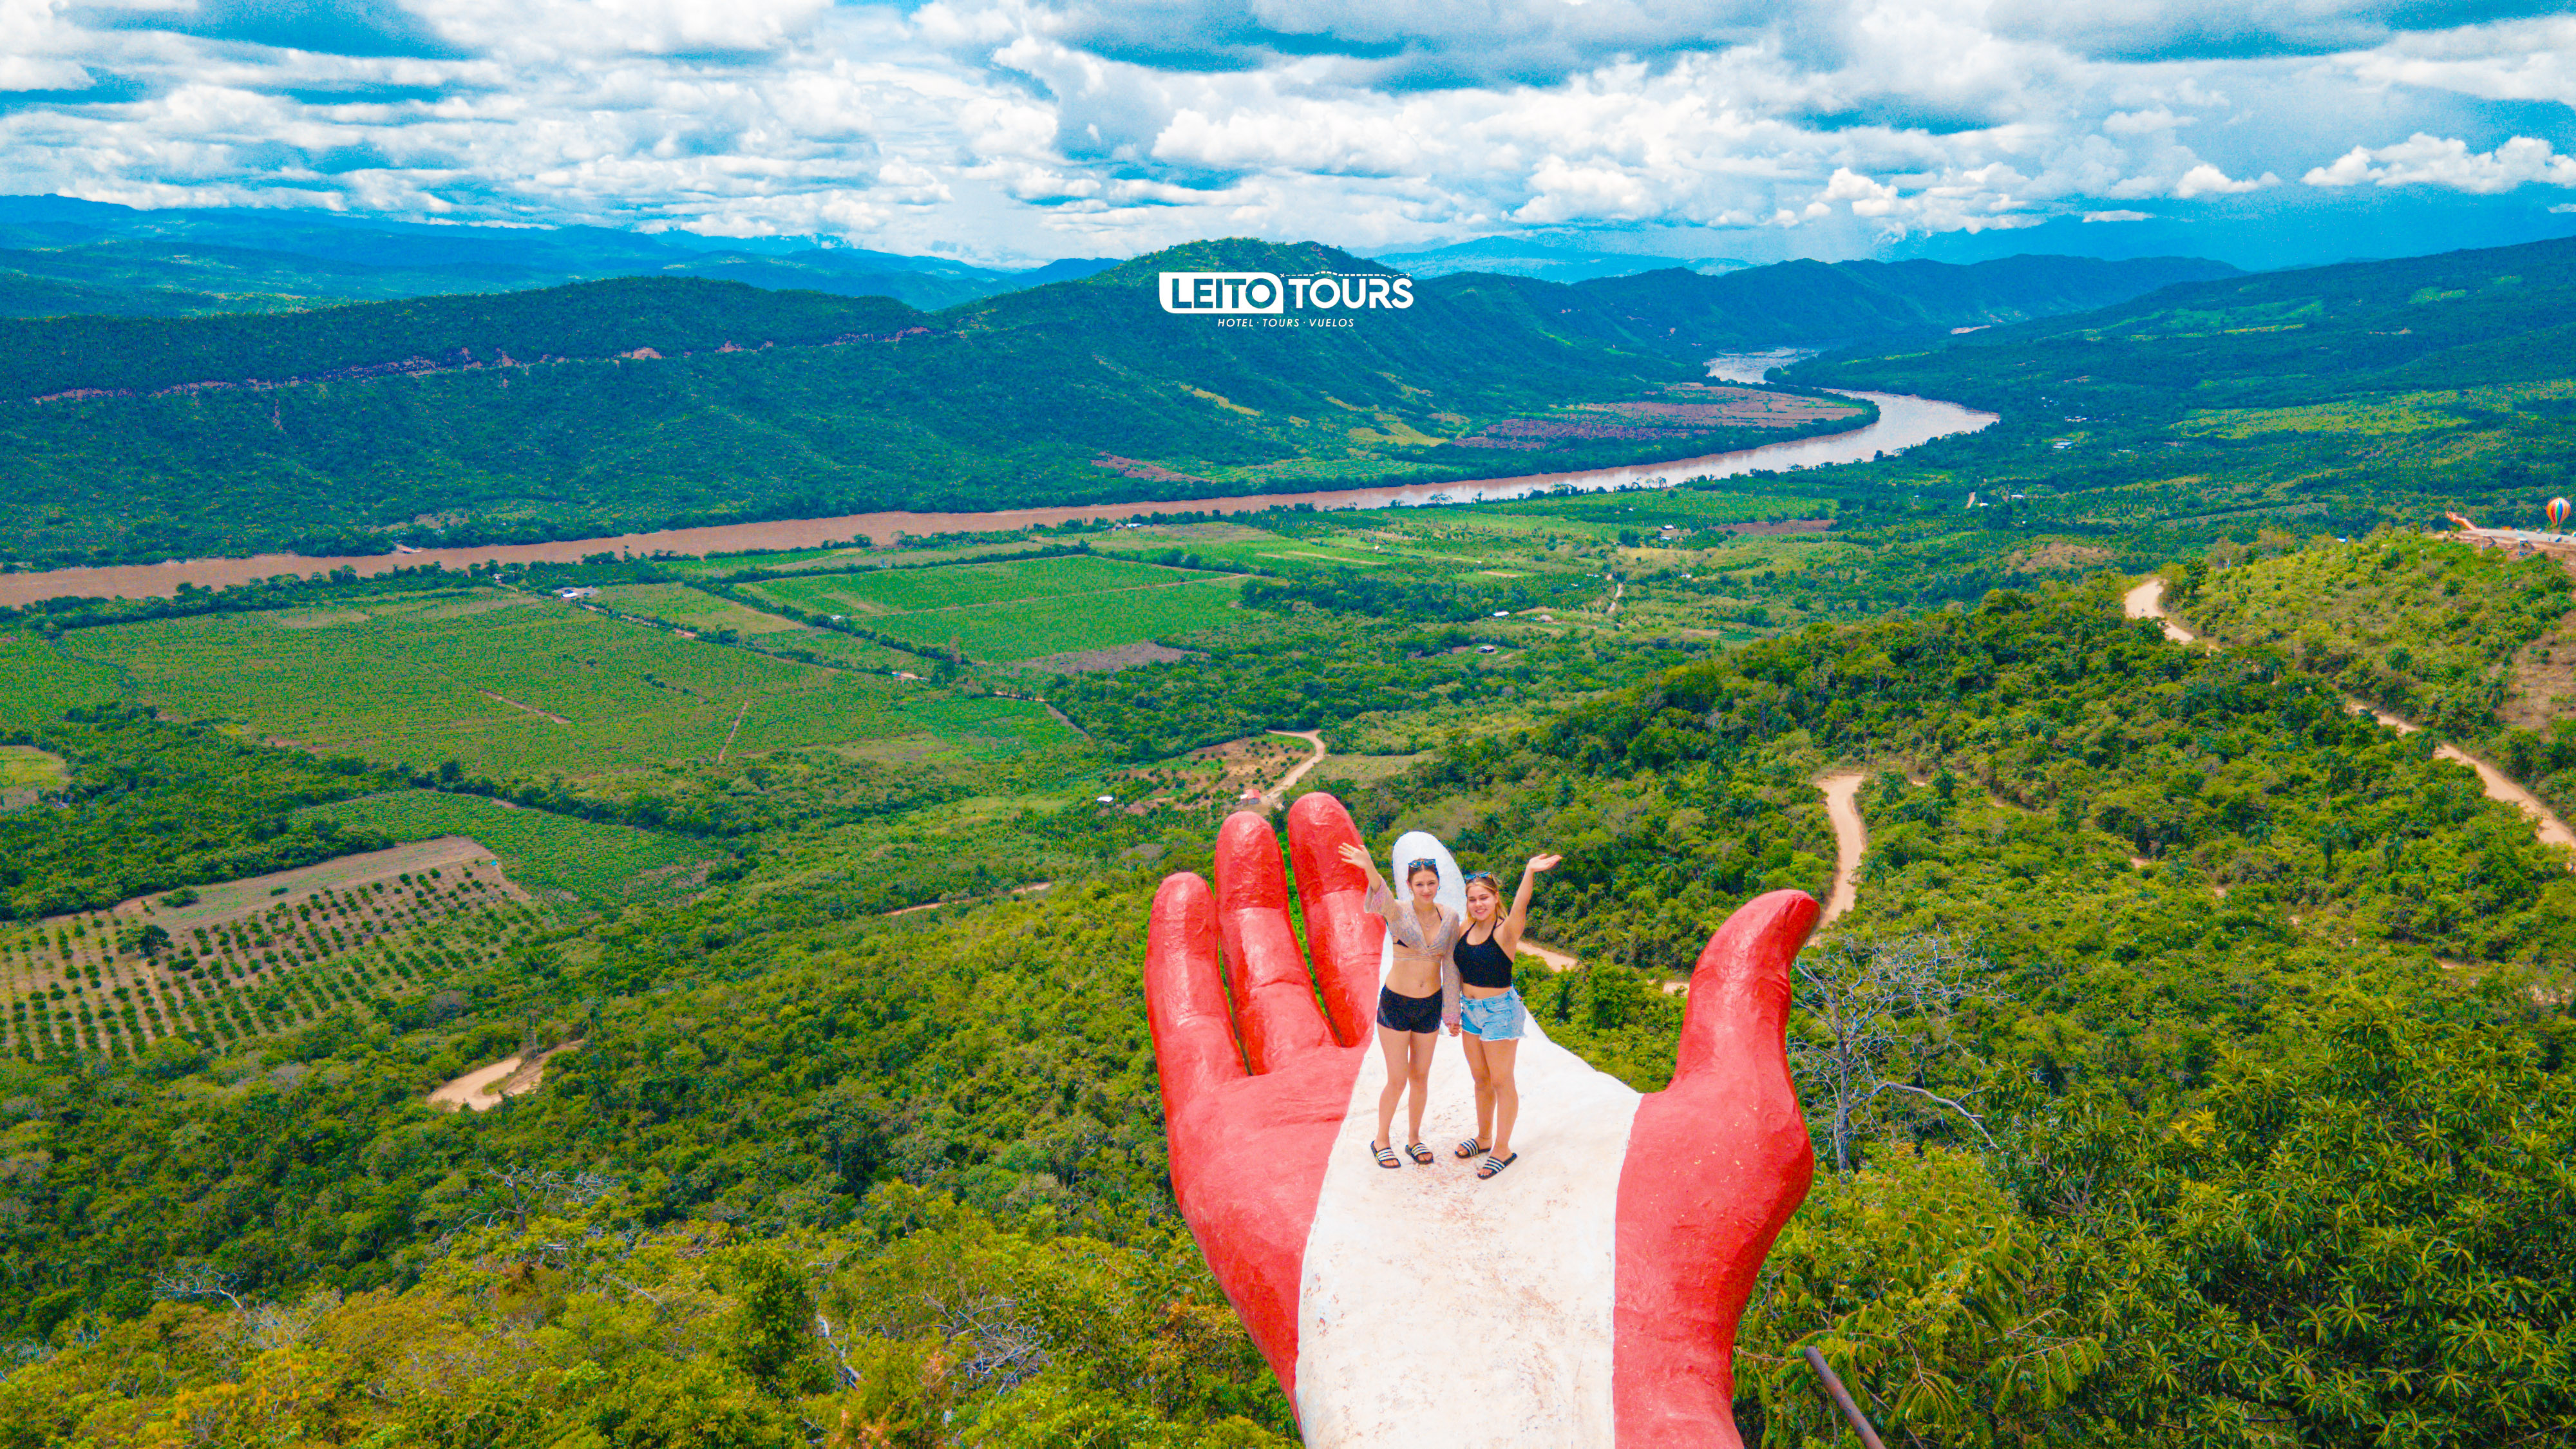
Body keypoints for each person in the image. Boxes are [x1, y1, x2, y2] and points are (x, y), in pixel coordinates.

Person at [1339, 842, 1461, 1169]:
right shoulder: (1398, 911)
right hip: (1395, 1003)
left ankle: (1414, 1138)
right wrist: (1369, 867)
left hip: (1430, 1005)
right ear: (1410, 886)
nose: (1425, 889)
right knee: (1397, 1078)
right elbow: (1380, 895)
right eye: (1419, 884)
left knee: (1420, 1076)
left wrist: (1452, 1011)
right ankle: (1381, 1140)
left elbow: (1450, 964)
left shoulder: (1450, 917)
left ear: (1438, 884)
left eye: (1431, 883)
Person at [1452, 853, 1562, 1180]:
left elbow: (1522, 905)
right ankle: (1484, 1138)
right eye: (1472, 899)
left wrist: (1529, 871)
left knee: (1501, 1081)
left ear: (1495, 898)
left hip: (1500, 1011)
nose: (1477, 904)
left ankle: (1502, 1148)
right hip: (1470, 1011)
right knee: (1480, 1079)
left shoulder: (1505, 932)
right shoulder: (1464, 927)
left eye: (1484, 897)